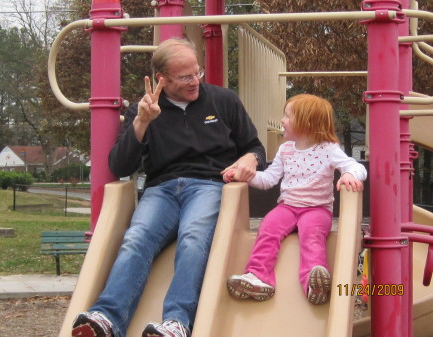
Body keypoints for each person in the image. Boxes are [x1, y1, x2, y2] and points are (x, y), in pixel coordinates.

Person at [71, 38, 265, 337]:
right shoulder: (145, 109)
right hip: (161, 188)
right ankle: (107, 318)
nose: (195, 82)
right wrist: (141, 124)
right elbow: (120, 166)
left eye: (197, 73)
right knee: (137, 238)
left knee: (193, 236)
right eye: (185, 77)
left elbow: (254, 147)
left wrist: (250, 159)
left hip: (208, 184)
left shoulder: (223, 100)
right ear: (162, 78)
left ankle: (176, 321)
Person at [223, 94, 367, 305]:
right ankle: (257, 276)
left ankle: (313, 282)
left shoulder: (328, 149)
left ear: (306, 123)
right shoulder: (285, 150)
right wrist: (244, 175)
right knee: (268, 228)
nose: (282, 120)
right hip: (288, 207)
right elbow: (269, 179)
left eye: (288, 116)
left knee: (311, 235)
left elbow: (357, 167)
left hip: (317, 209)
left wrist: (349, 175)